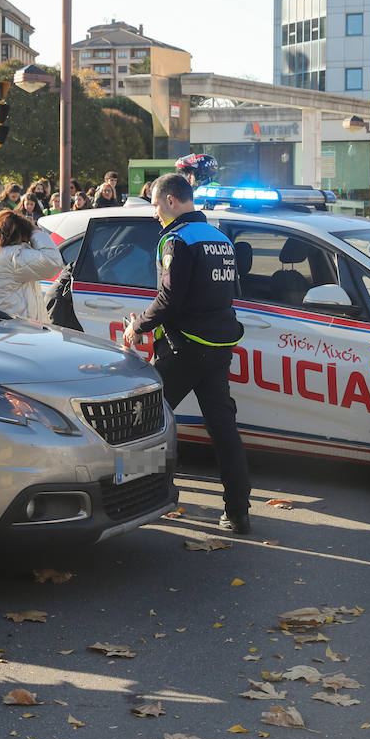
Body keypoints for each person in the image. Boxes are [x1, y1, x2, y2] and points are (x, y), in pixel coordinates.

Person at [121, 173, 251, 535]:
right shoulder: (220, 239)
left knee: (141, 424)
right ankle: (238, 512)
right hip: (218, 348)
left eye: (154, 204)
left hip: (182, 349)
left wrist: (137, 327)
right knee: (224, 431)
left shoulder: (176, 240)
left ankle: (133, 502)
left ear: (171, 201)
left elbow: (169, 300)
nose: (153, 213)